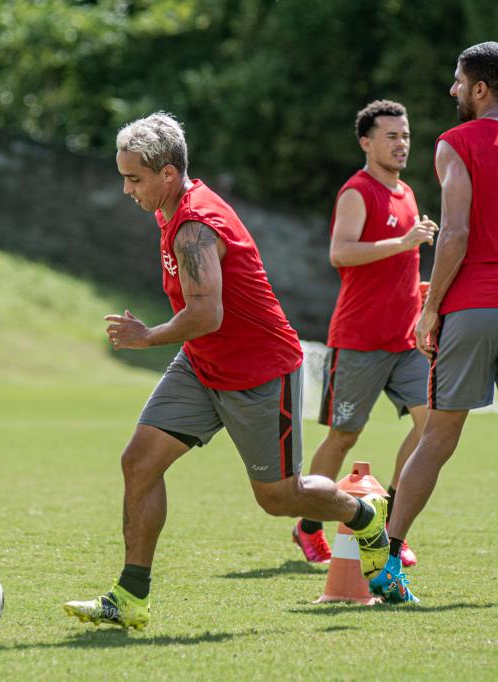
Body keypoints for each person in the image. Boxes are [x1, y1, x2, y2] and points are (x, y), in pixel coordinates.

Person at [63, 112, 391, 630]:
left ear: (168, 174)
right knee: (139, 462)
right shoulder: (166, 206)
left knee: (279, 498)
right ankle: (130, 598)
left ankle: (365, 518)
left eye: (134, 178)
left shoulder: (195, 225)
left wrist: (146, 336)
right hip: (202, 364)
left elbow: (206, 313)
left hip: (260, 373)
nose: (127, 189)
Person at [371, 42, 498, 604]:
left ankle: (390, 564)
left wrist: (432, 306)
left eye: (458, 82)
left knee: (437, 437)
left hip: (470, 309)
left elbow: (456, 233)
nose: (452, 91)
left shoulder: (454, 143)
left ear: (480, 88)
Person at [291, 100, 437, 568]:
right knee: (343, 438)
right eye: (391, 136)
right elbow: (341, 254)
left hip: (406, 341)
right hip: (358, 341)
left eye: (405, 135)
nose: (401, 144)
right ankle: (308, 525)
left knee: (432, 425)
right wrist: (404, 242)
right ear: (366, 143)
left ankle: (391, 526)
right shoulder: (357, 191)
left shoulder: (408, 193)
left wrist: (417, 290)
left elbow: (393, 268)